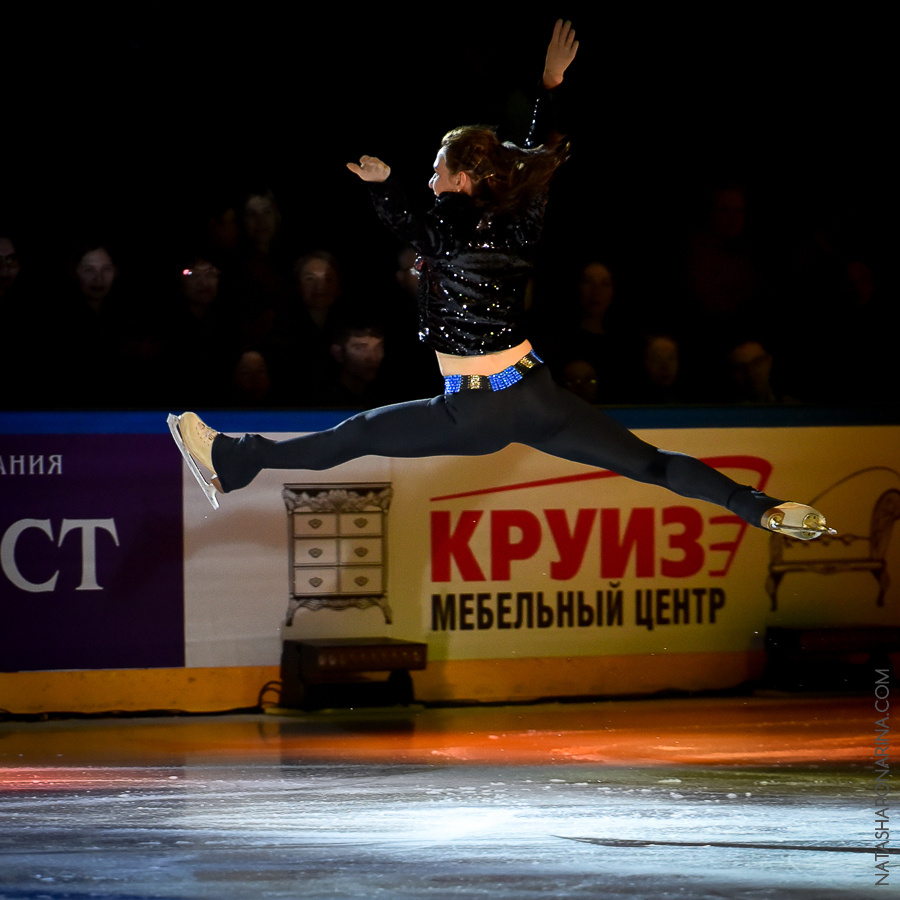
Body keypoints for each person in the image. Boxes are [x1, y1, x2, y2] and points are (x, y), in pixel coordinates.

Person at [169, 20, 833, 541]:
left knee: (356, 436)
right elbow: (537, 155)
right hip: (536, 393)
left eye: (437, 169)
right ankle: (758, 507)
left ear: (462, 179)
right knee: (651, 463)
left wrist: (384, 184)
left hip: (478, 407)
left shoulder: (448, 224)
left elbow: (410, 223)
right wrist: (549, 87)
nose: (431, 178)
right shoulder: (522, 216)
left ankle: (232, 457)